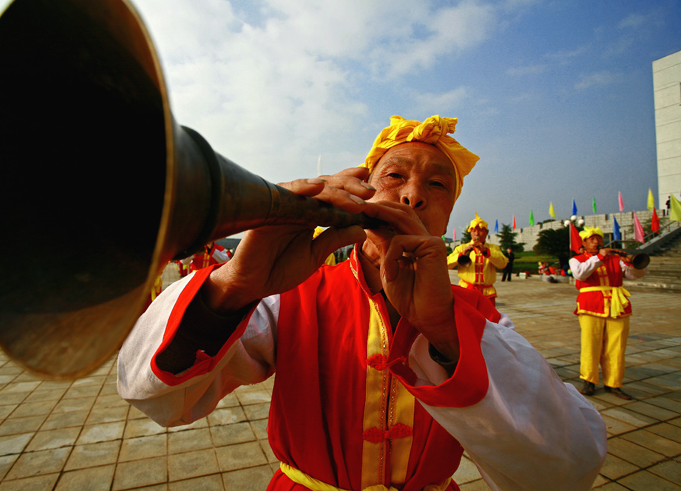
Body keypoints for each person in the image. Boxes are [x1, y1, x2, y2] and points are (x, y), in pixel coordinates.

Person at [118, 116, 606, 491]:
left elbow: (569, 467)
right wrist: (236, 285)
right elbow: (158, 400)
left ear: (449, 213)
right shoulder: (290, 296)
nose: (413, 195)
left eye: (437, 185)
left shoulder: (482, 319)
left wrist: (443, 331)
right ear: (362, 190)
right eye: (395, 176)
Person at [569, 227, 647, 400]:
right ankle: (589, 380)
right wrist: (600, 257)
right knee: (591, 343)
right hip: (591, 303)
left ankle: (614, 383)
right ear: (584, 243)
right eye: (592, 239)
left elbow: (635, 276)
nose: (596, 241)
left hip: (617, 303)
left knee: (617, 345)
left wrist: (631, 263)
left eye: (599, 238)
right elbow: (581, 274)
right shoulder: (576, 260)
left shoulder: (615, 259)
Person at [446, 214, 508, 305]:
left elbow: (503, 264)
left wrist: (486, 251)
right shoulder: (461, 247)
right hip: (466, 290)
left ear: (486, 232)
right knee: (467, 318)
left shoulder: (493, 248)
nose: (477, 234)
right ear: (470, 232)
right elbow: (447, 264)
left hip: (487, 293)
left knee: (488, 318)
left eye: (480, 231)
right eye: (474, 231)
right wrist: (461, 255)